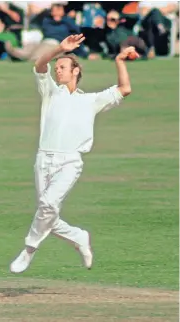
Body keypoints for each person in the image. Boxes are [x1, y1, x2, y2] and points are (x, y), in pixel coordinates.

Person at [10, 34, 136, 274]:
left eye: (63, 67)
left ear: (76, 71)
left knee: (47, 205)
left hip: (69, 161)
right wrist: (59, 49)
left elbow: (125, 88)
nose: (58, 71)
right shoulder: (50, 92)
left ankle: (29, 250)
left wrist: (120, 60)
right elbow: (39, 65)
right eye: (57, 67)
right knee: (47, 212)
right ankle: (78, 236)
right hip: (43, 158)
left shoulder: (91, 100)